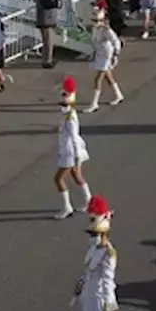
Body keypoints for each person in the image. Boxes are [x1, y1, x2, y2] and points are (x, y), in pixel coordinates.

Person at [73, 195, 132, 311]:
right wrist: (79, 289)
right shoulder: (94, 246)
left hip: (99, 297)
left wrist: (109, 307)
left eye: (95, 233)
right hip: (88, 294)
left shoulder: (108, 253)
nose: (92, 237)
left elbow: (108, 281)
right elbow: (87, 270)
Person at [53, 75, 93, 220]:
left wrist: (76, 156)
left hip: (70, 152)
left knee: (58, 179)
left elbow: (74, 137)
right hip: (70, 151)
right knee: (77, 176)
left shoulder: (70, 118)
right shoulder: (68, 114)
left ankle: (67, 207)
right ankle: (89, 201)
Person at [86, 1, 124, 112]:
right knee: (108, 76)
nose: (95, 22)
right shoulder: (94, 29)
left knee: (98, 79)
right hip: (100, 53)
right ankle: (118, 95)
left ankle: (94, 103)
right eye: (93, 20)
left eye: (97, 21)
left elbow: (116, 41)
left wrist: (116, 54)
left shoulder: (106, 30)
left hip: (107, 54)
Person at [35, 0, 62, 68]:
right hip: (46, 22)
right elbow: (50, 4)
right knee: (48, 43)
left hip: (49, 21)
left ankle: (49, 59)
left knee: (50, 42)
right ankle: (46, 61)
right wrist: (57, 2)